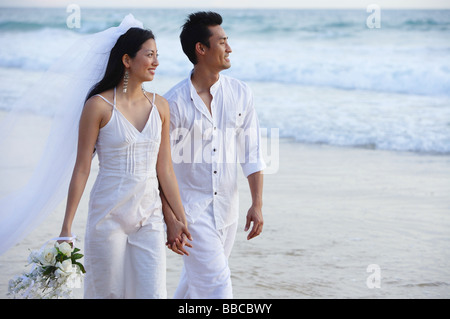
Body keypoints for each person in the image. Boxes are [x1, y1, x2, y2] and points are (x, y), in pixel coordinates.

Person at [55, 24, 191, 298]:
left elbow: (164, 169)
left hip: (149, 217)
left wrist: (179, 219)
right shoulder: (98, 106)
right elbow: (82, 168)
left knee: (153, 293)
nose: (156, 62)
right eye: (149, 55)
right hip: (108, 215)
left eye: (157, 55)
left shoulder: (160, 106)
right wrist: (66, 228)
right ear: (127, 60)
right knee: (108, 293)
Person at [162, 11, 266, 299]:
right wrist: (170, 218)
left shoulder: (241, 93)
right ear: (201, 49)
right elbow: (160, 167)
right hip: (191, 213)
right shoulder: (173, 103)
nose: (229, 48)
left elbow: (252, 151)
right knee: (218, 288)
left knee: (194, 286)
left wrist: (257, 203)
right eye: (222, 42)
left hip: (228, 211)